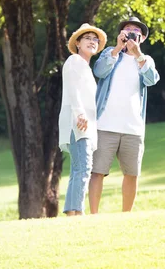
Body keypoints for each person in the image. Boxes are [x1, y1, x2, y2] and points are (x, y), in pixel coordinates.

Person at [89, 16, 160, 213]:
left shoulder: (146, 60)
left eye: (136, 31)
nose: (131, 32)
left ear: (142, 38)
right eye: (127, 28)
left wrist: (138, 56)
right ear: (121, 33)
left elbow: (152, 79)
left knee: (132, 174)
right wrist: (117, 49)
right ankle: (93, 215)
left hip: (133, 128)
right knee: (97, 171)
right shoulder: (109, 53)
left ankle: (125, 216)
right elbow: (99, 71)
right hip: (105, 125)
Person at [59, 23, 107, 216]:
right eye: (87, 38)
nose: (92, 42)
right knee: (84, 168)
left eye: (95, 39)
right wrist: (79, 114)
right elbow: (72, 90)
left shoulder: (85, 67)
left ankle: (74, 212)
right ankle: (76, 213)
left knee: (79, 169)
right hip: (78, 123)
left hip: (84, 123)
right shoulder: (74, 61)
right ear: (78, 43)